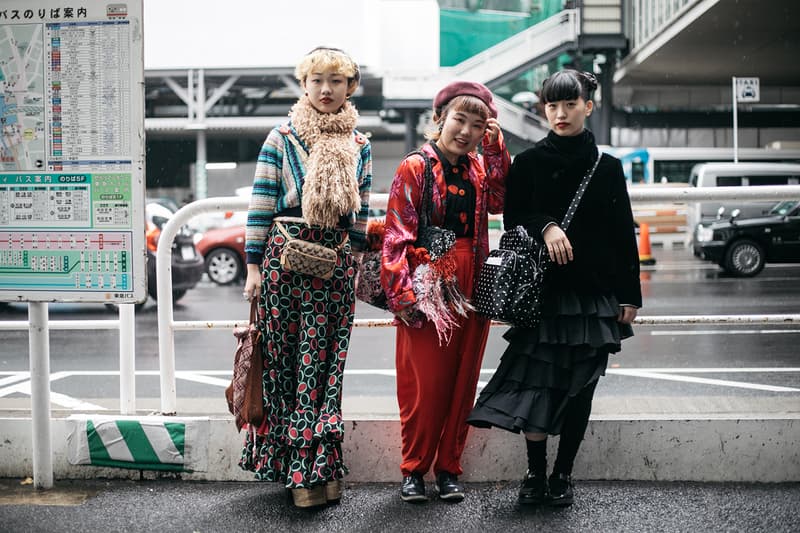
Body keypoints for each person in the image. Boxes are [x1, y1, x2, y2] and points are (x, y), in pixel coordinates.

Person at [466, 69, 642, 507]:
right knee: (537, 385)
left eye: (569, 104)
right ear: (543, 108)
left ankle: (563, 474)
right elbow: (514, 218)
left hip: (593, 297)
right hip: (541, 295)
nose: (560, 114)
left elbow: (623, 232)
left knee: (581, 388)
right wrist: (546, 226)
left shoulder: (608, 167)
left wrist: (629, 295)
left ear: (589, 105)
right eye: (552, 106)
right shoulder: (529, 162)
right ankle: (535, 473)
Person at [240, 46, 372, 508]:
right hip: (285, 263)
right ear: (304, 85)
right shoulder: (282, 137)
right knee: (289, 364)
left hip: (334, 266)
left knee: (326, 367)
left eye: (336, 81)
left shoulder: (360, 143)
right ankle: (298, 473)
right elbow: (260, 204)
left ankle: (321, 468)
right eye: (317, 80)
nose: (326, 90)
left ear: (350, 87)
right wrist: (253, 267)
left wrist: (354, 261)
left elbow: (362, 215)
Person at [381, 81, 510, 503]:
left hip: (471, 279)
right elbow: (396, 237)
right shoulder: (414, 167)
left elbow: (499, 200)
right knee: (426, 383)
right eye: (460, 119)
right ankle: (414, 470)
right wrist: (403, 298)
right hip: (428, 283)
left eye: (478, 125)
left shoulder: (477, 168)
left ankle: (449, 469)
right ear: (439, 119)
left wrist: (494, 150)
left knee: (462, 380)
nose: (467, 131)